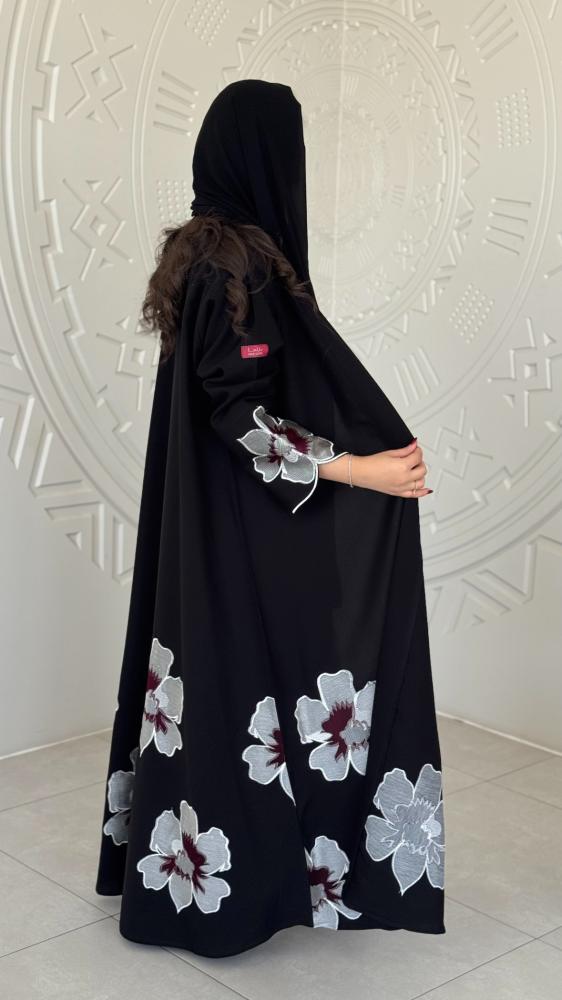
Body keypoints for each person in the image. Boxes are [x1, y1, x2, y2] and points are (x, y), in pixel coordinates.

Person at [95, 79, 445, 958]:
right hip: (233, 531)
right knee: (253, 673)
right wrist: (360, 469)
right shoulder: (236, 264)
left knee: (228, 679)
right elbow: (236, 409)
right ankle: (241, 886)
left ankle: (231, 869)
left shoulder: (202, 253)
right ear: (265, 157)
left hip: (215, 526)